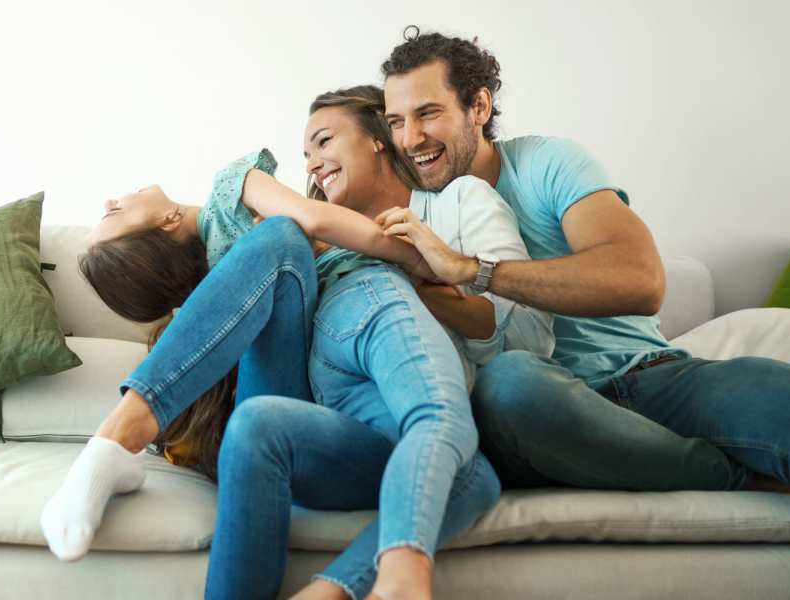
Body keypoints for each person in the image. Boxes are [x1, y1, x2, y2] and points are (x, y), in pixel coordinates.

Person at [377, 28, 790, 594]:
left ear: (479, 107)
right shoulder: (409, 213)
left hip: (656, 378)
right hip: (545, 411)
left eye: (428, 113)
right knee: (510, 385)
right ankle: (730, 474)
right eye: (395, 122)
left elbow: (640, 280)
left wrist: (475, 270)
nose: (410, 138)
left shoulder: (545, 164)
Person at [39, 120, 514, 598]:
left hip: (333, 434)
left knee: (474, 475)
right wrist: (415, 257)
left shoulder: (227, 276)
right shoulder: (234, 197)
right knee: (284, 234)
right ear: (165, 223)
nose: (110, 201)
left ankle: (329, 591)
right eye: (114, 215)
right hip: (302, 410)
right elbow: (311, 217)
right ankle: (121, 433)